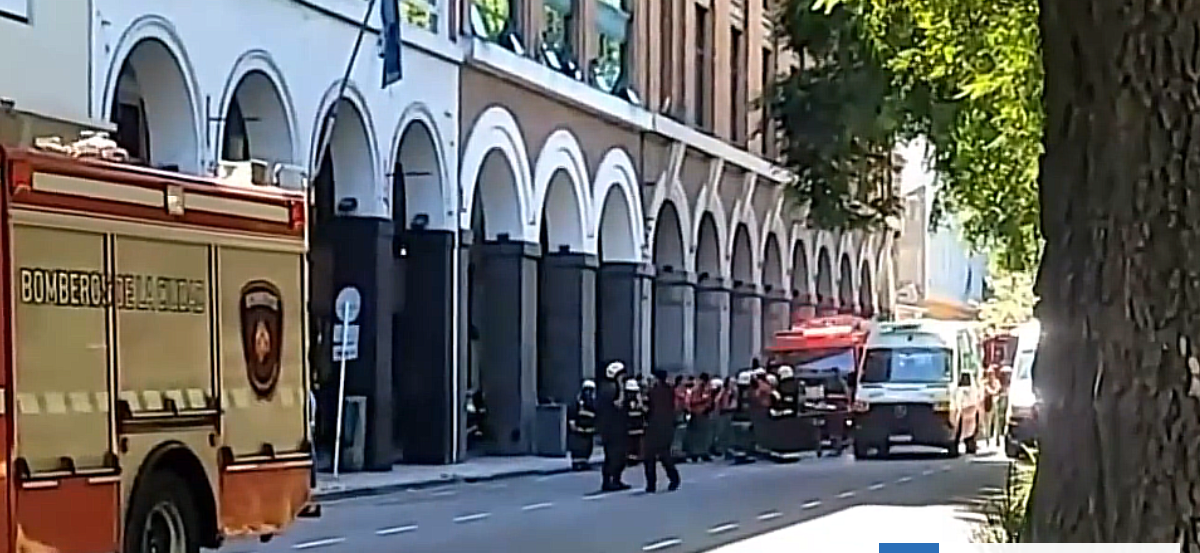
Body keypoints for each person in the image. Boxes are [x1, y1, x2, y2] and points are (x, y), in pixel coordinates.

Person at [643, 369, 682, 493]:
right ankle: (674, 478)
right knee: (664, 454)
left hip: (654, 425)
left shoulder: (653, 392)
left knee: (649, 456)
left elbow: (648, 408)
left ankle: (651, 484)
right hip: (667, 425)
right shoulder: (669, 390)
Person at [596, 361, 631, 492]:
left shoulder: (609, 387)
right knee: (614, 456)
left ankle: (615, 480)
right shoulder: (611, 388)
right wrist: (621, 387)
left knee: (618, 456)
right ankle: (609, 481)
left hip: (615, 427)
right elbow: (618, 404)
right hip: (612, 428)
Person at [567, 380, 597, 471]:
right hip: (578, 432)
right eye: (587, 390)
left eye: (590, 390)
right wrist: (573, 426)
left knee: (587, 448)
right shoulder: (577, 403)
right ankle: (577, 463)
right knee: (578, 448)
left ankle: (584, 463)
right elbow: (572, 416)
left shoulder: (593, 404)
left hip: (588, 432)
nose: (589, 393)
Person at [684, 373, 715, 462]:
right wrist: (703, 400)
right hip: (697, 413)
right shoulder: (696, 389)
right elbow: (692, 400)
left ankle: (703, 452)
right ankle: (695, 453)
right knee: (696, 435)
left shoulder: (706, 388)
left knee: (704, 434)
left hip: (705, 413)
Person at [624, 378, 647, 465]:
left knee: (635, 443)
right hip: (632, 425)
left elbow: (644, 410)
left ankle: (634, 458)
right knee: (631, 444)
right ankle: (631, 458)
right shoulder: (628, 401)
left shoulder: (637, 400)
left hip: (636, 425)